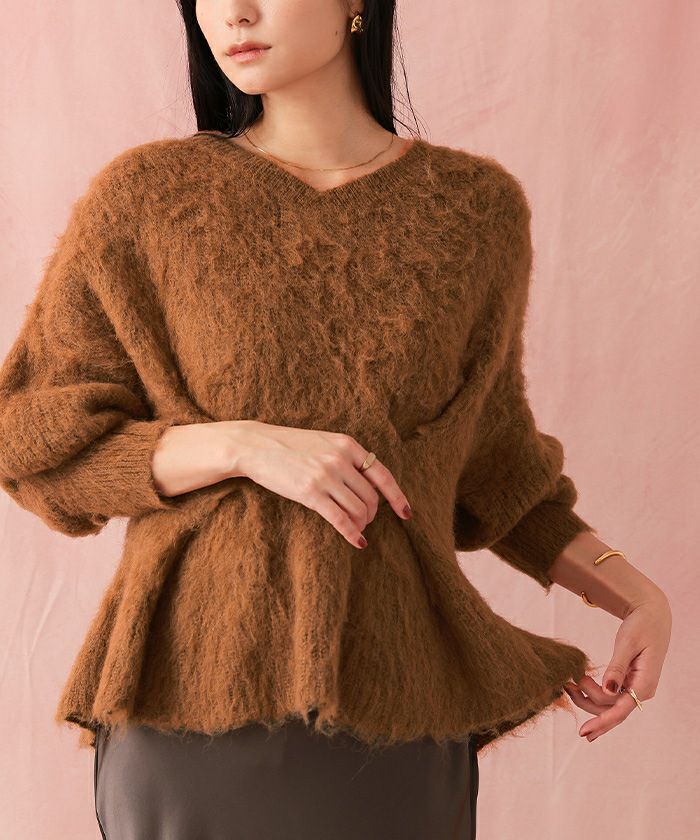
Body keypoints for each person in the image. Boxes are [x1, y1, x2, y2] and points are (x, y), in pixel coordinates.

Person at [0, 2, 671, 838]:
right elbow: (31, 433)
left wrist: (635, 593)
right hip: (188, 701)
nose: (233, 12)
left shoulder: (474, 211)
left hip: (399, 710)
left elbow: (494, 470)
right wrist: (239, 446)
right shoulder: (146, 198)